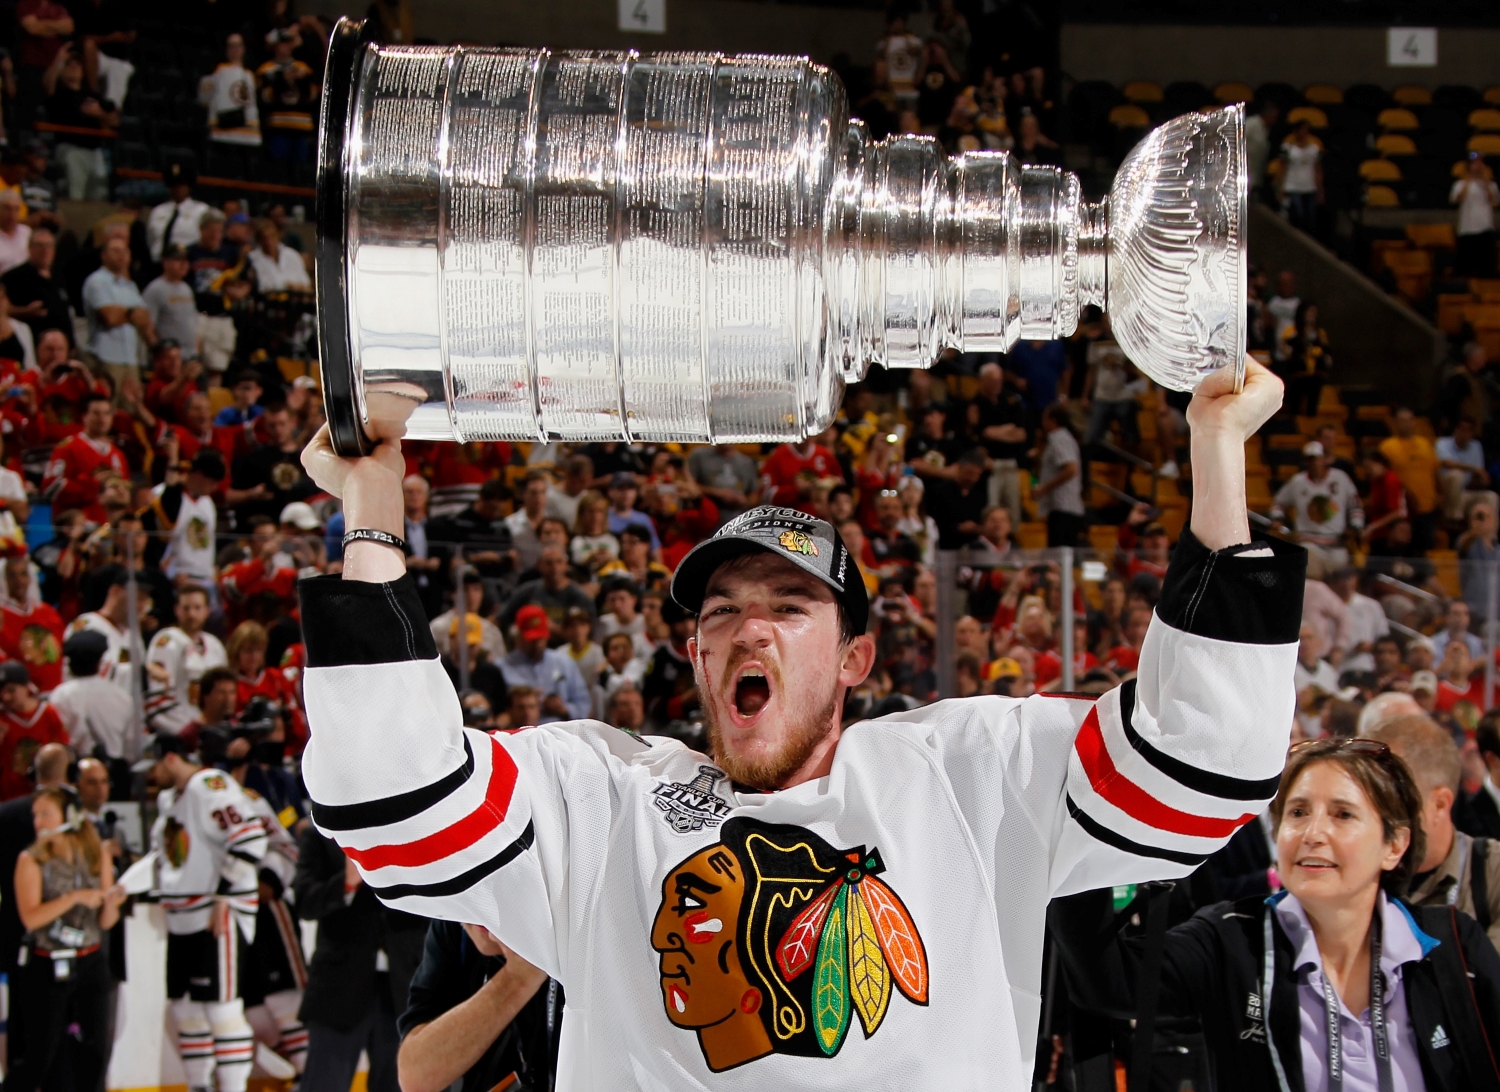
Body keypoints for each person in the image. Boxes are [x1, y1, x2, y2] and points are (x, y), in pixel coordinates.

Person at [297, 355, 1304, 1085]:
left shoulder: (967, 774)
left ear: (856, 659)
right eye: (723, 612)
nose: (751, 633)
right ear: (693, 653)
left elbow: (1199, 763)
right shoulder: (606, 796)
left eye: (789, 609)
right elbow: (393, 800)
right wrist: (374, 509)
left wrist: (1216, 451)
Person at [1052, 736, 1500, 1092]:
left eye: (1343, 814)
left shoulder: (1452, 947)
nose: (1312, 833)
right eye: (1298, 812)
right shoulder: (1232, 940)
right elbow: (1109, 983)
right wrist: (1082, 824)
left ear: (1394, 845)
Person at [146, 730, 268, 1092]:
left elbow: (250, 838)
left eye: (153, 765)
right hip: (183, 916)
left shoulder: (208, 785)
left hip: (215, 916)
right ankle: (198, 1085)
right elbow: (165, 857)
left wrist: (223, 895)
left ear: (170, 757)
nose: (149, 777)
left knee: (222, 1010)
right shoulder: (170, 799)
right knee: (186, 1010)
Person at [295, 822, 427, 1092]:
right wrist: (345, 884)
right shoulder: (321, 835)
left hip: (403, 986)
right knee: (324, 1083)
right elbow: (304, 902)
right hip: (338, 986)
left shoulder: (414, 829)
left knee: (396, 1084)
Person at [9, 785, 125, 1092]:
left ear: (70, 815)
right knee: (40, 1056)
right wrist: (73, 898)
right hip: (47, 966)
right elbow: (31, 918)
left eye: (46, 813)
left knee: (94, 1053)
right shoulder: (31, 860)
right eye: (36, 815)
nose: (39, 821)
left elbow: (106, 921)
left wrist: (112, 903)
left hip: (91, 962)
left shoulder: (95, 852)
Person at [1363, 714, 1500, 952]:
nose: (1373, 813)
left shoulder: (1492, 873)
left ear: (1439, 804)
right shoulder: (1350, 874)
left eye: (1389, 797)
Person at [397, 922, 560, 1092]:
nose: (479, 906)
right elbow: (415, 1075)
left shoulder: (579, 929)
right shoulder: (454, 922)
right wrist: (515, 981)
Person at [144, 584, 228, 734]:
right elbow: (157, 700)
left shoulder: (215, 646)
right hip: (178, 733)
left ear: (207, 611)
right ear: (177, 610)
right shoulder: (167, 641)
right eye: (186, 608)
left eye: (197, 608)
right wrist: (189, 732)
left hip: (212, 731)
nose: (191, 614)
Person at [1271, 440, 1363, 567]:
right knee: (1310, 565)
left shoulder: (1341, 478)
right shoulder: (1297, 482)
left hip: (1337, 543)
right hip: (1308, 541)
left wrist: (1355, 527)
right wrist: (1277, 518)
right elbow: (1278, 503)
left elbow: (1355, 507)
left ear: (1325, 459)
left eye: (1317, 459)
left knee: (1342, 572)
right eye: (1310, 459)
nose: (1314, 463)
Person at [42, 43, 113, 200]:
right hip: (69, 148)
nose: (74, 67)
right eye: (69, 64)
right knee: (76, 193)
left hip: (94, 151)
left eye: (77, 64)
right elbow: (47, 85)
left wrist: (100, 114)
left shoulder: (91, 95)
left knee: (99, 195)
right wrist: (59, 58)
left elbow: (114, 122)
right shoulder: (60, 93)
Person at [82, 235, 154, 392]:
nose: (121, 255)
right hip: (106, 357)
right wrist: (132, 313)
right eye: (115, 251)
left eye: (125, 251)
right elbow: (110, 317)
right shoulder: (97, 281)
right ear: (104, 255)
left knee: (131, 409)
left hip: (130, 359)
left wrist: (124, 313)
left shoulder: (130, 285)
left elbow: (144, 318)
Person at [496, 605, 589, 724]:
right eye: (532, 639)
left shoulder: (564, 663)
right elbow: (498, 712)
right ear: (518, 635)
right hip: (519, 734)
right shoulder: (501, 667)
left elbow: (584, 704)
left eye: (541, 638)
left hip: (560, 731)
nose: (537, 644)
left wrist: (564, 709)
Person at [0, 661, 65, 800]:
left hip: (45, 793)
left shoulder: (48, 713)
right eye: (2, 691)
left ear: (26, 687)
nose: (5, 697)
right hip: (9, 795)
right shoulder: (2, 718)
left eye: (11, 690)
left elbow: (62, 751)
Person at [200, 33, 262, 180]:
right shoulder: (216, 72)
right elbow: (204, 99)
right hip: (223, 132)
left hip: (247, 133)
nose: (235, 50)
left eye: (238, 45)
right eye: (231, 46)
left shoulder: (251, 74)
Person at [2, 227, 71, 343]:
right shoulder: (13, 277)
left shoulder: (60, 275)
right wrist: (26, 312)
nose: (45, 250)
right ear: (30, 248)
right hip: (31, 342)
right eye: (40, 245)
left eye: (49, 245)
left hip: (61, 345)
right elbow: (4, 310)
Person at [1033, 403, 1084, 547]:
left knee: (1059, 556)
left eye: (1044, 418)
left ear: (1052, 420)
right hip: (1063, 508)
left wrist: (1044, 488)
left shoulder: (1059, 438)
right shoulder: (1063, 438)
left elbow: (1071, 469)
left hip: (1064, 508)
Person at [143, 246, 205, 360]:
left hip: (190, 354)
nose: (183, 264)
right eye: (178, 260)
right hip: (169, 356)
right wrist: (158, 352)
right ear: (165, 262)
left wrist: (197, 349)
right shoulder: (155, 289)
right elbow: (148, 327)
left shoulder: (186, 289)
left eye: (186, 260)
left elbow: (193, 322)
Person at [1436, 414, 1497, 524]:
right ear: (1455, 430)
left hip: (1464, 493)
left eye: (1469, 431)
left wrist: (1482, 480)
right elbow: (1447, 463)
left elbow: (1478, 475)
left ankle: (1488, 534)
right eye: (1462, 429)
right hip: (1446, 494)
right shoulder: (1442, 443)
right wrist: (1474, 469)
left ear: (1472, 434)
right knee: (1457, 475)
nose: (1465, 433)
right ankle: (1454, 518)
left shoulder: (1476, 446)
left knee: (1491, 496)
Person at [147, 162, 211, 265]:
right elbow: (150, 239)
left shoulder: (201, 210)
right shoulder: (158, 211)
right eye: (173, 185)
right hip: (157, 264)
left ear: (189, 187)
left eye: (181, 185)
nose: (177, 189)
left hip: (186, 264)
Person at [1452, 153, 1500, 278]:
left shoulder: (1491, 185)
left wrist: (1485, 181)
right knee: (1465, 269)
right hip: (1467, 230)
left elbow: (1493, 201)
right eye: (1474, 163)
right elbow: (1457, 198)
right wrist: (1468, 179)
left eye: (1480, 163)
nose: (1477, 166)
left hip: (1486, 229)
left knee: (1487, 270)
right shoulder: (1460, 184)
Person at [1277, 118, 1323, 236]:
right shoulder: (1287, 149)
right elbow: (1282, 169)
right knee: (1298, 216)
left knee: (1311, 219)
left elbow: (1317, 170)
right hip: (1293, 187)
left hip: (1310, 187)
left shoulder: (1314, 149)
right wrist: (1279, 189)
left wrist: (1320, 191)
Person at [247, 218, 309, 293]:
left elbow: (306, 283)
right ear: (259, 240)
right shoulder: (253, 259)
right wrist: (286, 285)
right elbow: (264, 287)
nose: (269, 242)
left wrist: (295, 286)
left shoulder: (292, 255)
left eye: (271, 236)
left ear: (277, 236)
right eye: (265, 238)